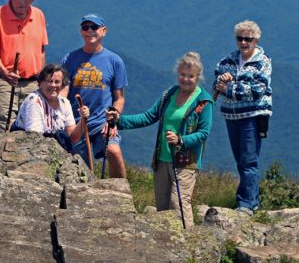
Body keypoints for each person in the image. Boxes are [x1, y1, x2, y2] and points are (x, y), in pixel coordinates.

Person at [107, 52, 213, 228]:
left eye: (190, 76)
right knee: (163, 209)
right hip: (162, 158)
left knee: (178, 204)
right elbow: (148, 117)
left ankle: (188, 244)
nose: (186, 79)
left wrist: (181, 140)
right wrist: (119, 121)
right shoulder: (169, 94)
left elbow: (203, 133)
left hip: (186, 163)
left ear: (198, 77)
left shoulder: (204, 102)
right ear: (177, 73)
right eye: (182, 74)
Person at [214, 20, 272, 214]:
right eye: (240, 38)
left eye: (248, 39)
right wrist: (225, 85)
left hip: (252, 117)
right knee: (241, 160)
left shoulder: (263, 62)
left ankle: (247, 203)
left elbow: (257, 90)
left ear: (256, 40)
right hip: (231, 117)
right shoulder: (228, 60)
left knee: (249, 160)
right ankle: (249, 200)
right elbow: (217, 80)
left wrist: (229, 89)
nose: (244, 43)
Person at [61, 13, 128, 177]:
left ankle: (120, 193)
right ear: (81, 31)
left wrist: (113, 118)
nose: (89, 31)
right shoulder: (70, 59)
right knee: (80, 167)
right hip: (76, 123)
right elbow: (63, 91)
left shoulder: (114, 61)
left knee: (114, 151)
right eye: (85, 27)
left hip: (101, 122)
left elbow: (119, 97)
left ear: (103, 31)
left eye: (94, 27)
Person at [0, 0, 48, 133]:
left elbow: (41, 49)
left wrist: (42, 79)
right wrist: (5, 73)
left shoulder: (38, 16)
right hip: (3, 81)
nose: (22, 2)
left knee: (32, 130)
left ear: (33, 0)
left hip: (33, 83)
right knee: (1, 127)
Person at [13, 63, 90, 151]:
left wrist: (83, 120)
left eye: (57, 82)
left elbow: (72, 137)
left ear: (62, 85)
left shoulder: (64, 103)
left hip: (51, 150)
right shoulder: (34, 101)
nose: (53, 85)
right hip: (29, 150)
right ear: (40, 83)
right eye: (49, 81)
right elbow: (34, 138)